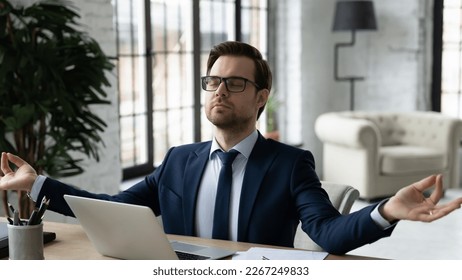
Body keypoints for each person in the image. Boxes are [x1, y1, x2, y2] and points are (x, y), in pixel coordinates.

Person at [1, 41, 462, 255]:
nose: (220, 90)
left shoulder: (291, 164)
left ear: (261, 98)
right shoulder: (179, 160)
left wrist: (386, 212)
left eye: (235, 82)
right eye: (213, 81)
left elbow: (328, 233)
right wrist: (37, 183)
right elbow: (110, 208)